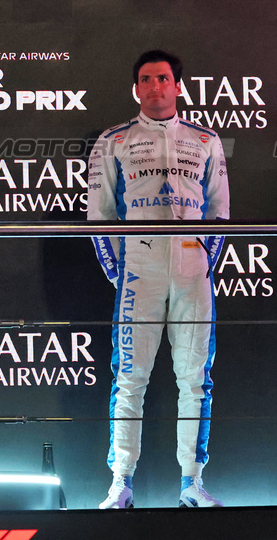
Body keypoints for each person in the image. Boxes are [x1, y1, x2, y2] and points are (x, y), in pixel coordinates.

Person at [87, 49, 229, 509]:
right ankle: (120, 483)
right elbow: (99, 215)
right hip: (138, 271)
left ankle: (192, 482)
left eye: (163, 79)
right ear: (136, 88)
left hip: (192, 270)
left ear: (177, 85)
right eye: (146, 79)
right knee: (130, 379)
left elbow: (219, 211)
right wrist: (118, 271)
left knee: (195, 380)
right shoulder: (113, 140)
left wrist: (204, 260)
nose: (155, 87)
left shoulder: (206, 140)